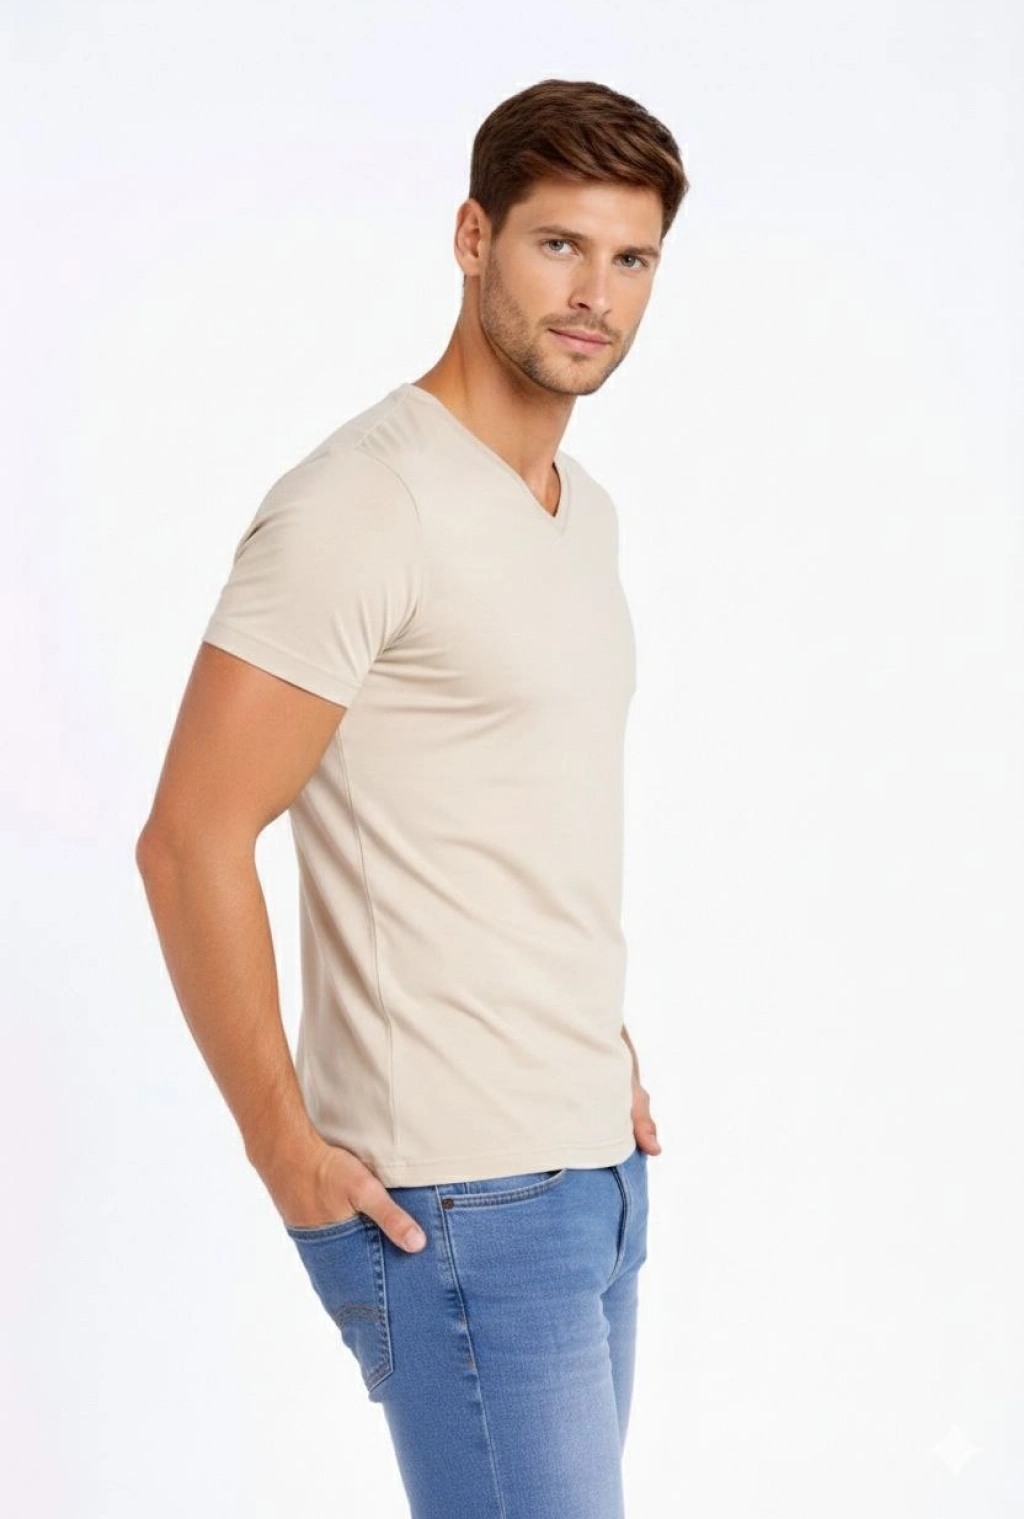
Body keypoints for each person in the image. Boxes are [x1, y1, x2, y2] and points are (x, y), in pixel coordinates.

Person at [136, 76, 688, 1519]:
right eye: (559, 245)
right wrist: (282, 1149)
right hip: (457, 1202)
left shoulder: (582, 511)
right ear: (472, 237)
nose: (597, 295)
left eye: (632, 258)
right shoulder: (363, 503)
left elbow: (512, 809)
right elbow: (190, 838)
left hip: (594, 1174)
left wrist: (598, 1050)